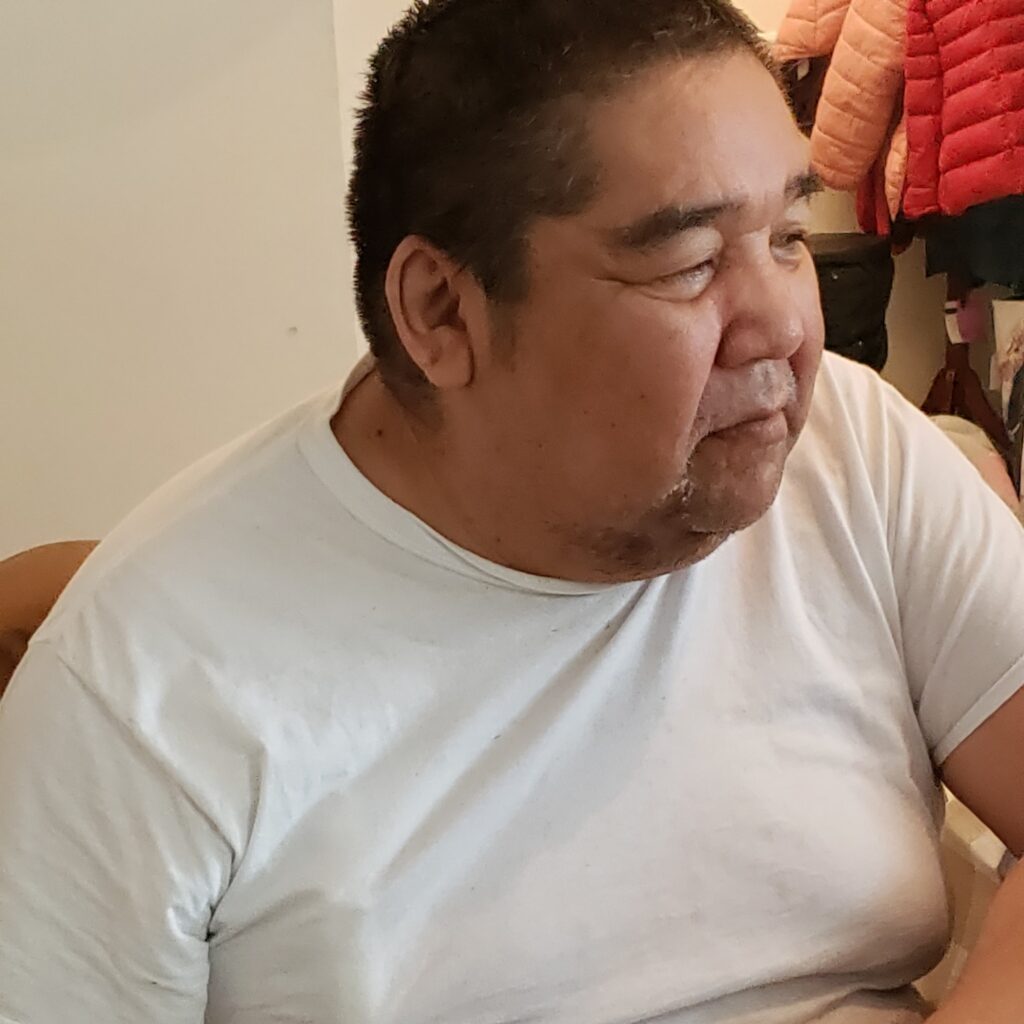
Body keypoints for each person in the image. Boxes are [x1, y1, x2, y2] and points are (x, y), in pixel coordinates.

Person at [1, 0, 1022, 1020]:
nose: (783, 329)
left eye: (788, 236)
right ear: (441, 311)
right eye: (690, 263)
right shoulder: (140, 684)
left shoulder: (851, 450)